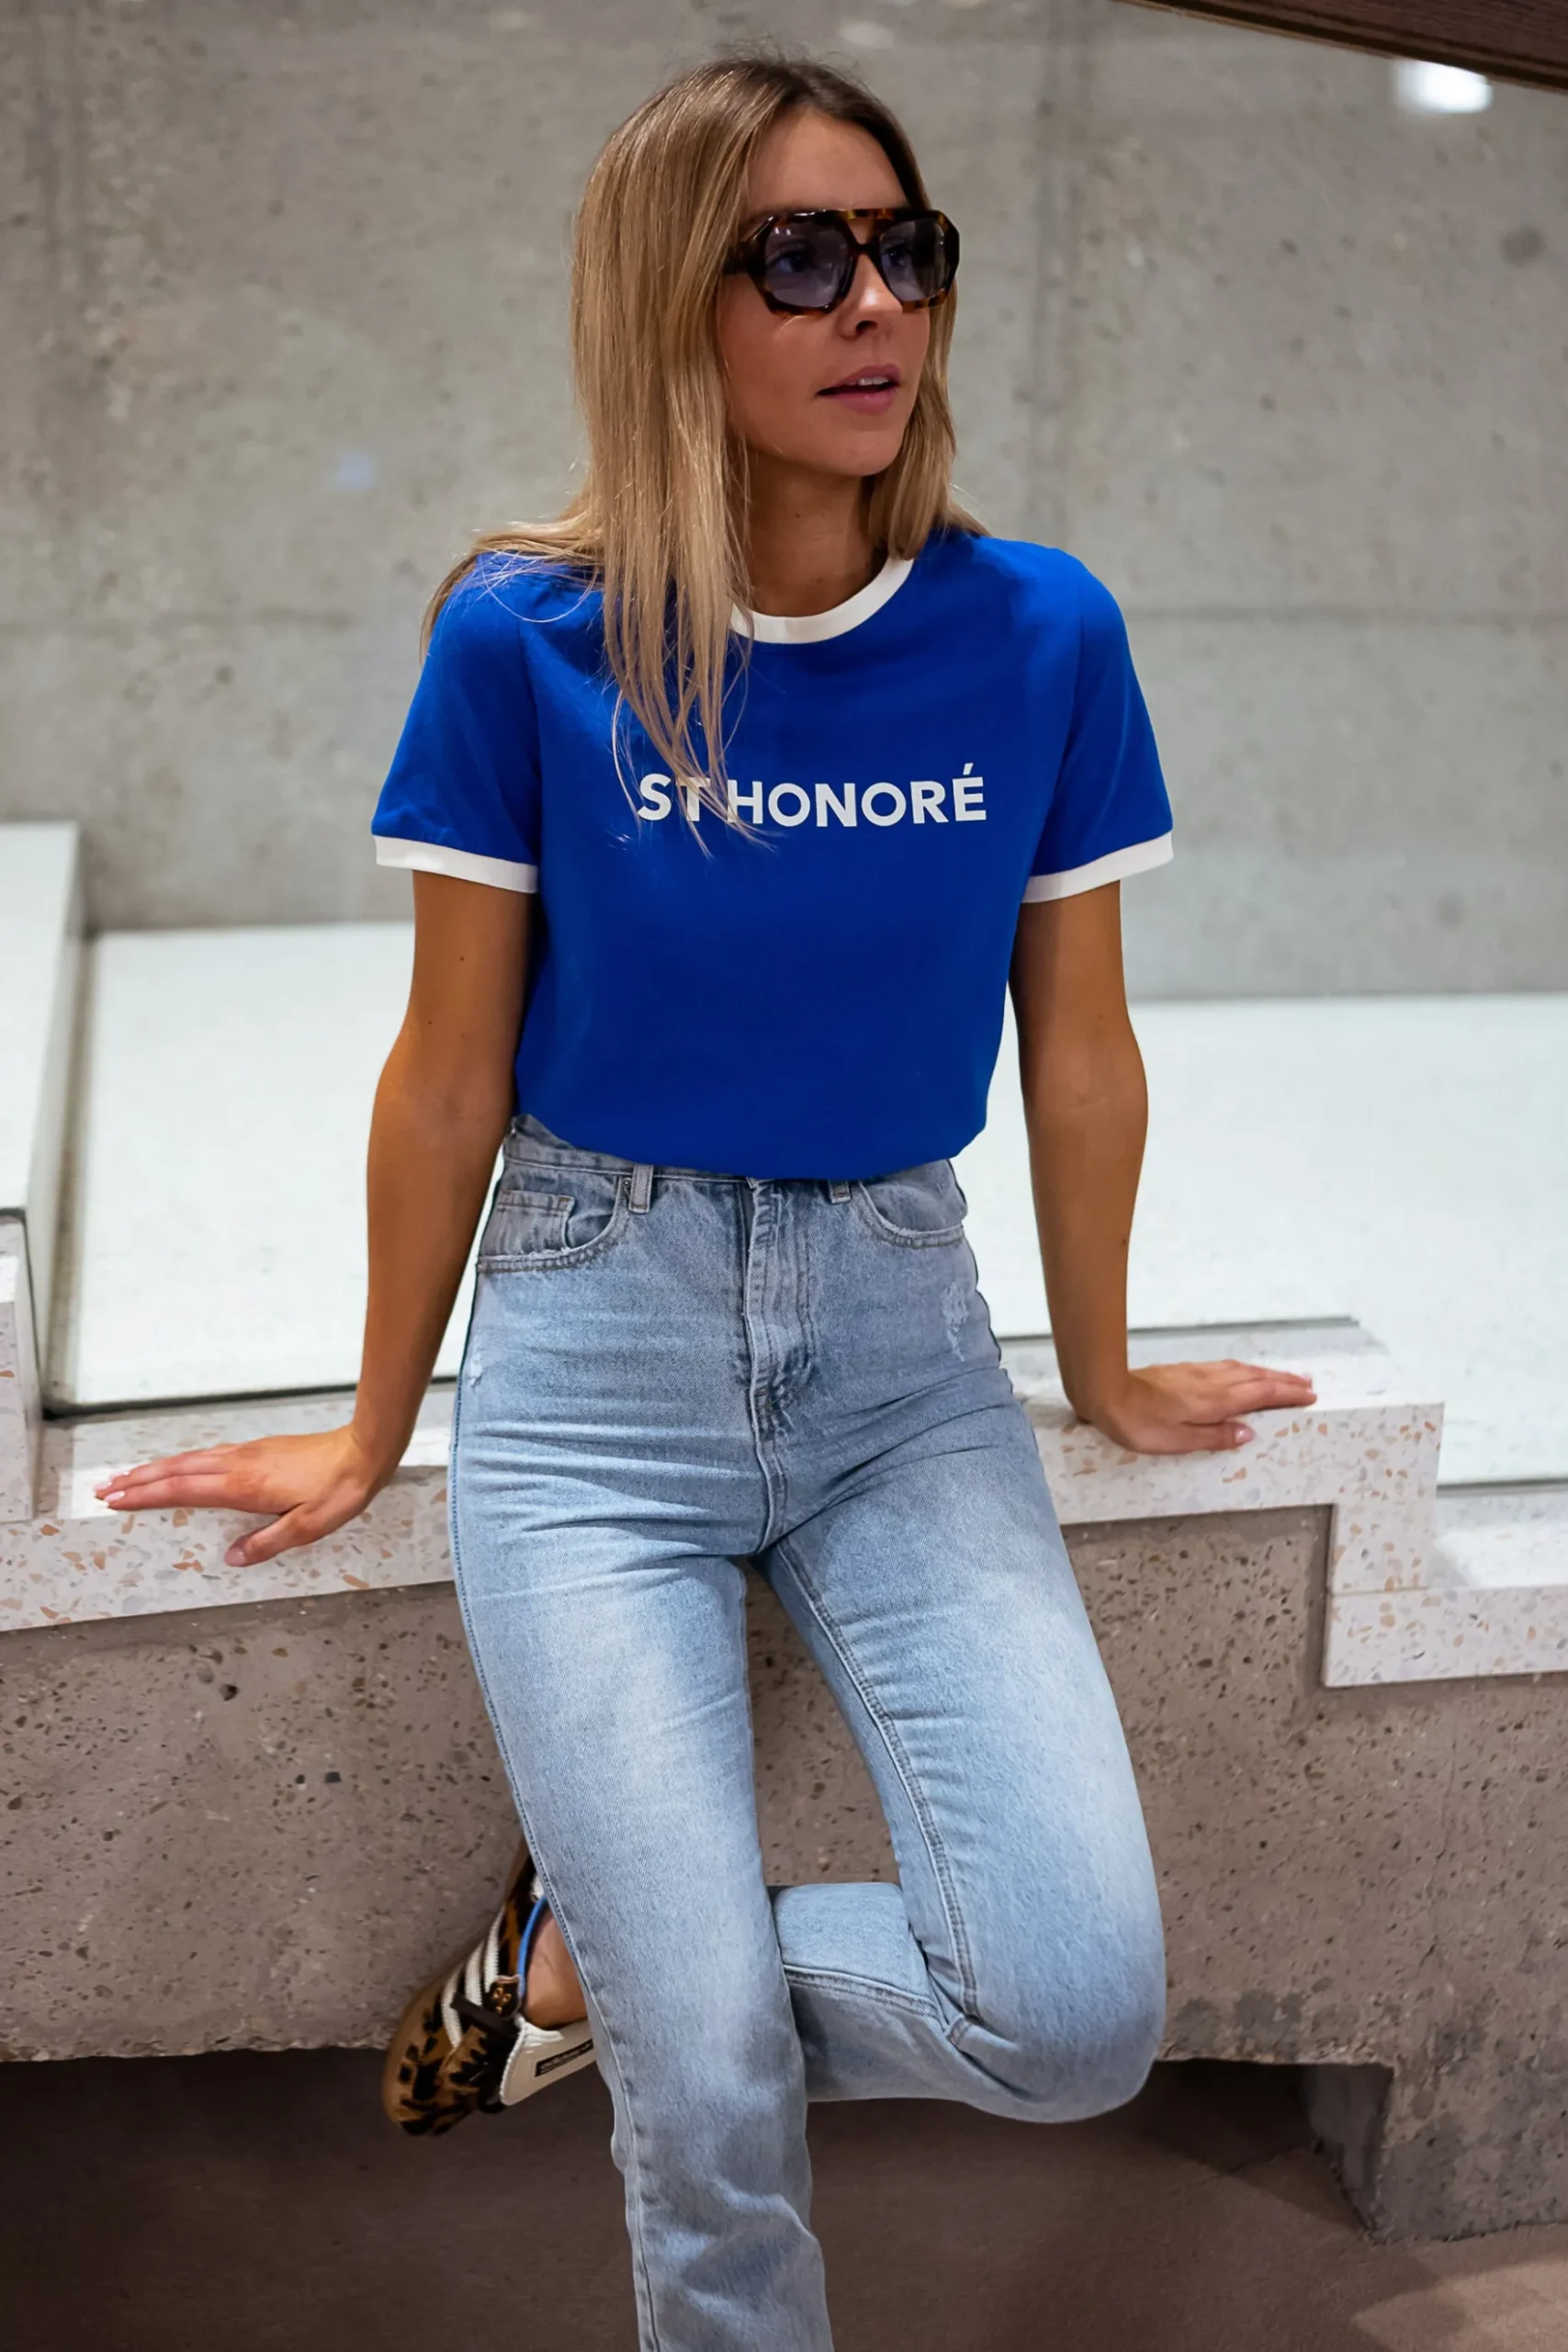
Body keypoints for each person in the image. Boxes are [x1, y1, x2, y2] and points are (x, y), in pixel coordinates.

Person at [98, 52, 1314, 2351]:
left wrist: (1102, 1363)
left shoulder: (1039, 632)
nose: (874, 305)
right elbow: (447, 1071)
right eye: (798, 258)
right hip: (594, 1352)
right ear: (675, 306)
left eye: (903, 250)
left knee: (1073, 2015)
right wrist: (372, 1424)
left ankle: (598, 1968)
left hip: (900, 1353)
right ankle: (672, 2021)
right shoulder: (525, 640)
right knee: (721, 2107)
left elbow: (1079, 1051)